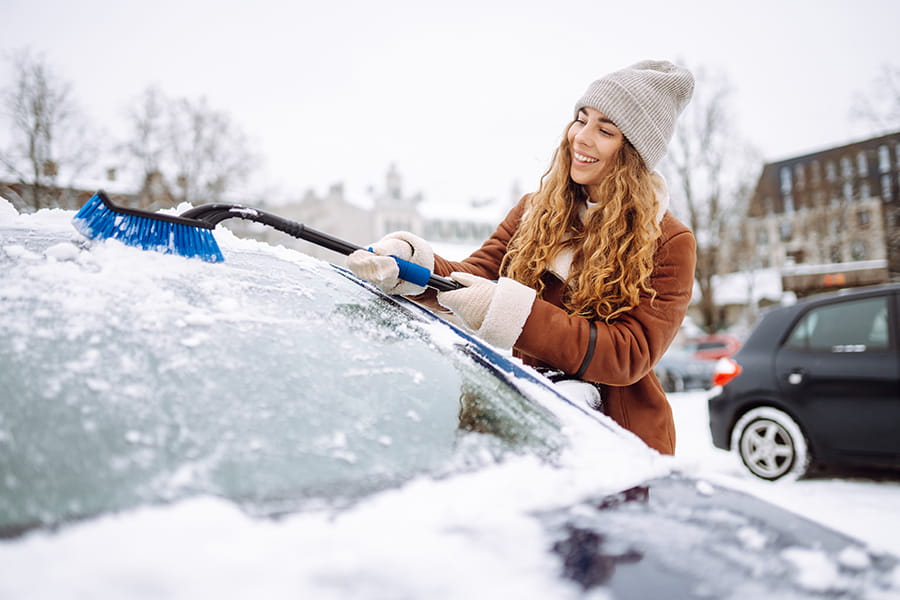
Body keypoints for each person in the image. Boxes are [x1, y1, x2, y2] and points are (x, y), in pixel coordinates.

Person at [347, 60, 696, 455]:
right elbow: (474, 275)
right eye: (581, 119)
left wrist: (511, 312)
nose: (581, 138)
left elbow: (628, 353)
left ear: (633, 151)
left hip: (614, 441)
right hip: (524, 422)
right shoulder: (535, 212)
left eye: (605, 130)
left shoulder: (668, 240)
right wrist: (409, 263)